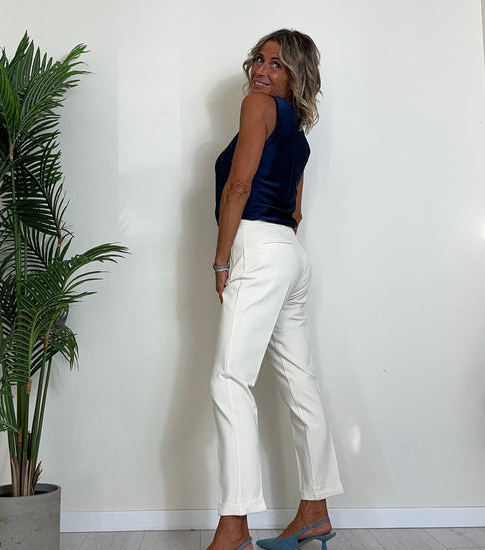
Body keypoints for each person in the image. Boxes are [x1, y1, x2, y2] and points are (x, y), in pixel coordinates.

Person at [207, 30, 344, 550]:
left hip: (258, 248)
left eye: (277, 64)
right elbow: (297, 211)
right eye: (259, 60)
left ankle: (234, 525)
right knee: (300, 381)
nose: (261, 71)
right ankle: (315, 509)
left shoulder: (257, 107)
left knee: (229, 380)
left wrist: (223, 259)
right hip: (289, 253)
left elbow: (238, 187)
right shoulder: (300, 137)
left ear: (295, 75)